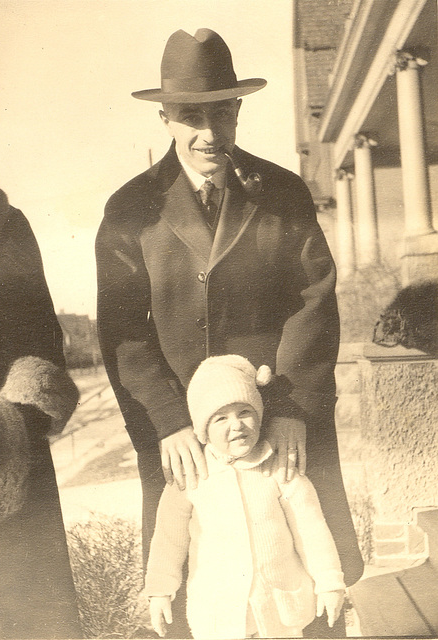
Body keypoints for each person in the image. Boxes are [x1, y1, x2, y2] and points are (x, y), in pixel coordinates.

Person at [96, 28, 363, 637]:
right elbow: (122, 331)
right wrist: (167, 421)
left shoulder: (283, 193)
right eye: (192, 116)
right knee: (195, 586)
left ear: (238, 110)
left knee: (312, 581)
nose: (210, 134)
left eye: (222, 113)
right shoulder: (131, 209)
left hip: (279, 421)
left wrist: (292, 407)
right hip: (185, 437)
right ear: (165, 117)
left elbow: (314, 300)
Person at [0, 71, 82, 639]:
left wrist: (13, 426)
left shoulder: (10, 227)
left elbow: (41, 339)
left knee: (31, 610)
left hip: (10, 449)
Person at [146, 355, 346, 639]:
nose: (236, 425)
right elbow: (168, 540)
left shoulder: (280, 470)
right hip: (219, 614)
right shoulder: (191, 478)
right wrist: (159, 591)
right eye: (221, 418)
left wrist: (329, 583)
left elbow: (312, 530)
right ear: (203, 429)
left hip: (278, 613)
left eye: (244, 412)